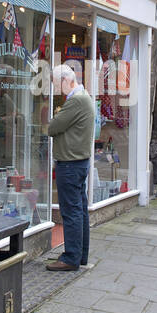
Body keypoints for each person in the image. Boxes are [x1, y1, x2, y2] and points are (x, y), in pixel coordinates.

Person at [45, 64, 96, 271]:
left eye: (58, 84)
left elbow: (52, 127)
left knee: (72, 211)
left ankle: (71, 258)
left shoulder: (77, 100)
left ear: (67, 80)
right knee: (79, 210)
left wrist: (55, 118)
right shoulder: (83, 97)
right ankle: (79, 255)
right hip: (78, 162)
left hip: (71, 164)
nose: (58, 89)